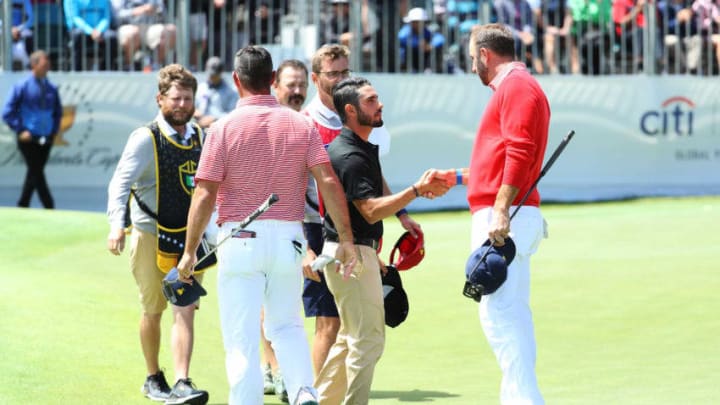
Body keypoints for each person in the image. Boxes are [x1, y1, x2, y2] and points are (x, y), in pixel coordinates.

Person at [175, 45, 359, 405]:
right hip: (289, 238)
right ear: (273, 80)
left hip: (240, 238)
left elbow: (204, 194)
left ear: (236, 80)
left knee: (241, 338)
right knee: (287, 325)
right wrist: (347, 239)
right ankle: (304, 392)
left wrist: (188, 251)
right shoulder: (301, 124)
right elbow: (327, 181)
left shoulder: (223, 128)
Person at [431, 24, 550, 404]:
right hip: (510, 210)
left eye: (471, 59)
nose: (471, 68)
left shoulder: (515, 87)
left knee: (499, 316)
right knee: (509, 313)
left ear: (484, 54)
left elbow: (519, 152)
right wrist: (459, 177)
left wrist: (500, 210)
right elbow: (505, 157)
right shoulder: (519, 86)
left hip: (505, 215)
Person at [314, 76, 449, 404]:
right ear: (351, 110)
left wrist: (403, 216)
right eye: (372, 100)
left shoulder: (357, 149)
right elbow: (371, 210)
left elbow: (374, 186)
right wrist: (416, 191)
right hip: (352, 255)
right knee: (368, 342)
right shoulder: (350, 155)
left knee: (350, 338)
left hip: (351, 253)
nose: (380, 104)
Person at [106, 64, 209, 405]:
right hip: (149, 235)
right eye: (176, 98)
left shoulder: (201, 136)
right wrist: (115, 227)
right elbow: (120, 184)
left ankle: (182, 382)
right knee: (153, 309)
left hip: (190, 240)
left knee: (184, 306)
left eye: (188, 98)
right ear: (160, 98)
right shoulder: (144, 138)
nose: (182, 104)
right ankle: (153, 377)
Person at [301, 43, 391, 378]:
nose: (340, 79)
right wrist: (305, 247)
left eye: (344, 72)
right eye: (333, 73)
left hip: (353, 232)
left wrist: (402, 216)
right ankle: (310, 394)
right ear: (316, 78)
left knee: (344, 326)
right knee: (329, 322)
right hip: (320, 230)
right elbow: (290, 189)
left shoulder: (362, 118)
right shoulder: (304, 123)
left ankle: (321, 394)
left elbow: (372, 174)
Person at [2, 50, 62, 209]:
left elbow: (57, 112)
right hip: (28, 138)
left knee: (34, 173)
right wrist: (20, 130)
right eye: (44, 64)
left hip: (46, 138)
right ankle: (49, 206)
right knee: (37, 173)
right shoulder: (22, 86)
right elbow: (7, 112)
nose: (47, 67)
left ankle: (23, 204)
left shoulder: (51, 88)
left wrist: (54, 131)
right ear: (34, 65)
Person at [111, 0, 176, 70]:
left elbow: (164, 14)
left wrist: (157, 11)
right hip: (128, 26)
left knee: (171, 30)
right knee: (133, 33)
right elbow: (116, 14)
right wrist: (138, 11)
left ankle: (155, 66)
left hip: (151, 26)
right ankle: (128, 66)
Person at [63, 0, 119, 71]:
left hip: (100, 31)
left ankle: (105, 71)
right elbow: (75, 18)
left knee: (112, 37)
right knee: (77, 36)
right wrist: (90, 31)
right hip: (80, 30)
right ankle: (76, 71)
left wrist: (99, 30)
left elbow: (106, 17)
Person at [193, 56, 238, 129]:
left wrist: (214, 118)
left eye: (214, 75)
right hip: (199, 127)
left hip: (219, 128)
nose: (211, 78)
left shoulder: (231, 91)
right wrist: (195, 111)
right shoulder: (200, 88)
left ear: (221, 73)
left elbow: (232, 114)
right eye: (210, 75)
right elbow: (193, 106)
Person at [397, 7, 446, 73]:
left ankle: (430, 70)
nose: (416, 24)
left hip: (424, 59)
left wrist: (430, 46)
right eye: (414, 22)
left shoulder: (426, 31)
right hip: (409, 60)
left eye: (418, 22)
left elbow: (440, 38)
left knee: (437, 49)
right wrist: (417, 43)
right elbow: (401, 37)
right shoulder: (406, 30)